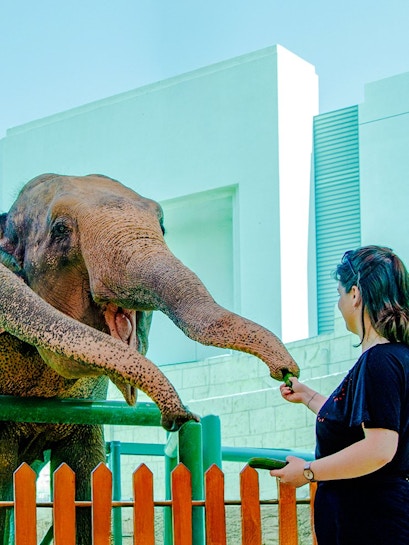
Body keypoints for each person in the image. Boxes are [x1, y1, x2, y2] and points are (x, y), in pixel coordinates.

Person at [270, 245, 409, 545]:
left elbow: (380, 449)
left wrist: (308, 472)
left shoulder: (378, 362)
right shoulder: (398, 358)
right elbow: (357, 423)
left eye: (339, 293)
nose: (339, 303)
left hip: (374, 527)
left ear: (356, 294)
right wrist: (308, 396)